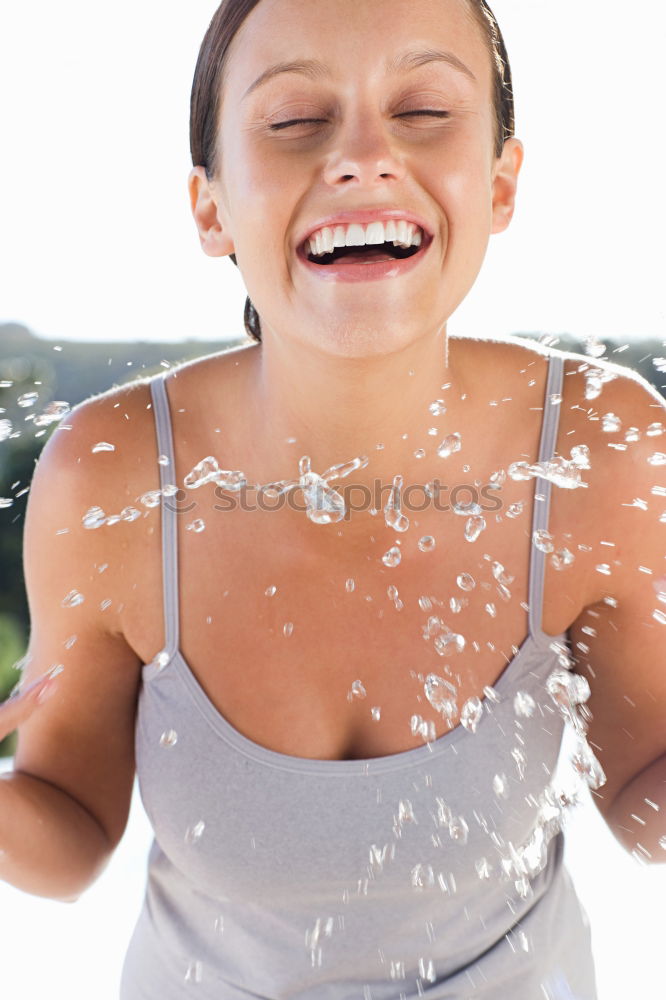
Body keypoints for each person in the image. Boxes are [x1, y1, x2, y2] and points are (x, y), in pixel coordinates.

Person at [1, 0, 664, 997]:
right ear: (211, 206)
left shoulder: (599, 449)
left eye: (425, 109)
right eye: (294, 120)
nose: (361, 156)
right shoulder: (115, 474)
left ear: (500, 183)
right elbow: (71, 827)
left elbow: (644, 795)